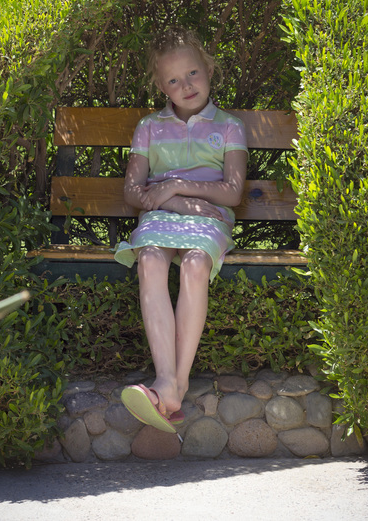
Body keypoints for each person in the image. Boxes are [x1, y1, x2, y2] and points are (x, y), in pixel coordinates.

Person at [114, 27, 248, 433]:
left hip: (209, 217)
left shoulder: (229, 126)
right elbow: (133, 191)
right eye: (173, 80)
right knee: (150, 260)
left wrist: (174, 185)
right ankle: (166, 382)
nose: (186, 86)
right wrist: (172, 201)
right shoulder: (149, 127)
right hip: (161, 215)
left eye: (192, 73)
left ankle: (176, 383)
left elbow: (232, 192)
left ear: (209, 69)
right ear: (161, 87)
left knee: (194, 265)